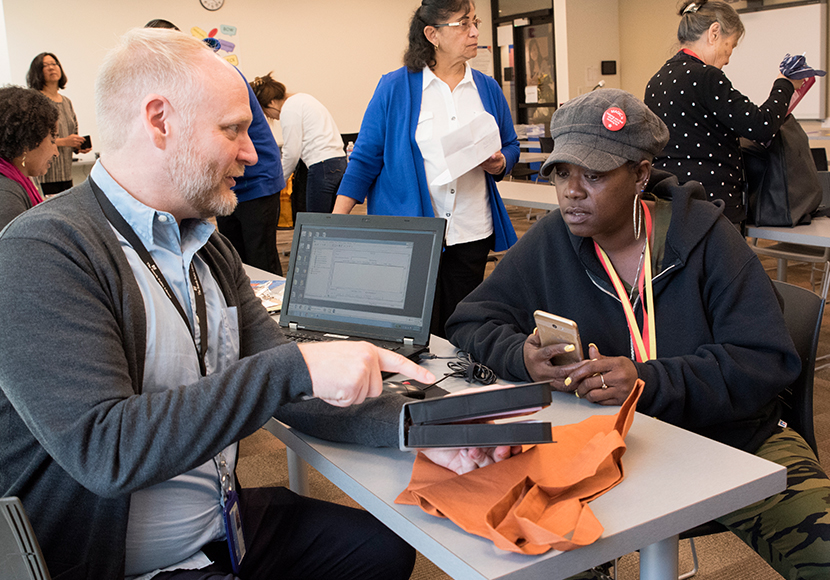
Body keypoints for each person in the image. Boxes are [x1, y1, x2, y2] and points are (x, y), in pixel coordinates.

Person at [0, 28, 518, 580]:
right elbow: (106, 451)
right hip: (105, 560)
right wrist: (296, 365)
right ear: (159, 122)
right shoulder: (44, 251)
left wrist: (424, 426)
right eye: (234, 130)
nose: (253, 152)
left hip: (216, 527)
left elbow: (292, 392)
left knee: (380, 548)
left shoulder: (207, 247)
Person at [446, 88, 830, 580]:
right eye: (563, 173)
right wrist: (522, 357)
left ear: (641, 174)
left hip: (732, 441)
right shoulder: (552, 240)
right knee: (534, 564)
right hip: (597, 447)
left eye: (595, 174)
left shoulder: (708, 239)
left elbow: (764, 360)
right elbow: (469, 319)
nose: (572, 191)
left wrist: (648, 381)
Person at [333, 0, 519, 338]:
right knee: (412, 329)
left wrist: (501, 161)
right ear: (432, 34)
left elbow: (511, 145)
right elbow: (366, 158)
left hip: (470, 229)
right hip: (411, 233)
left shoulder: (487, 88)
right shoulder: (394, 87)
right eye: (463, 24)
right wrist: (336, 221)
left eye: (474, 21)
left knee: (460, 327)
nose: (475, 31)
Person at [144, 18, 287, 276]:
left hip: (256, 179)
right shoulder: (181, 78)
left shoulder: (210, 71)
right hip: (224, 180)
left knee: (260, 259)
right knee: (234, 261)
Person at [643, 0, 802, 224]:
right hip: (710, 206)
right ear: (714, 33)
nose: (728, 58)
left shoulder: (657, 80)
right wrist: (784, 85)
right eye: (731, 45)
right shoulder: (706, 76)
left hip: (668, 204)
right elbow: (761, 126)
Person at [250, 73, 347, 213]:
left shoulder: (289, 109)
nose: (270, 117)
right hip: (338, 162)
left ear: (271, 102)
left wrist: (277, 182)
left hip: (322, 167)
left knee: (314, 222)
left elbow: (291, 153)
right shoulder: (303, 99)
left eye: (266, 112)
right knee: (330, 221)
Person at [25, 52, 90, 196]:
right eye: (45, 65)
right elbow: (33, 138)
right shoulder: (35, 100)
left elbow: (73, 131)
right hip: (43, 174)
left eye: (54, 64)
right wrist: (64, 141)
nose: (51, 68)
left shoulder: (66, 102)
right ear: (37, 71)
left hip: (66, 174)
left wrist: (77, 145)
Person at [0, 86, 58, 229]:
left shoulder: (13, 182)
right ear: (29, 141)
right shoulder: (7, 194)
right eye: (52, 140)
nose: (55, 151)